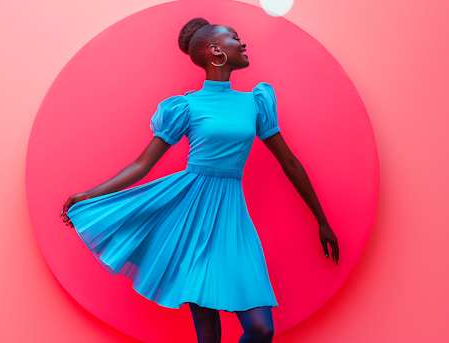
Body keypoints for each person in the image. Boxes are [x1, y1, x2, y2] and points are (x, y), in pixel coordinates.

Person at [60, 17, 339, 343]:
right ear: (215, 50)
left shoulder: (256, 103)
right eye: (236, 37)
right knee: (208, 335)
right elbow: (141, 165)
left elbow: (289, 162)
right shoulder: (186, 107)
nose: (243, 43)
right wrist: (89, 195)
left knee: (261, 330)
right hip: (191, 219)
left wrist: (321, 220)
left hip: (234, 219)